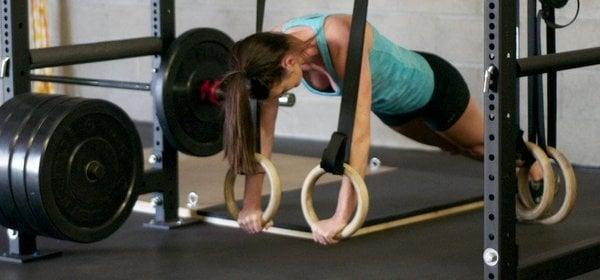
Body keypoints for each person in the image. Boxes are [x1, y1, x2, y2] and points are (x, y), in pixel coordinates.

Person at [219, 13, 542, 245]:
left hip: (435, 89)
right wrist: (251, 203)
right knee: (454, 148)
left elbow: (357, 131)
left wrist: (342, 216)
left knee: (478, 148)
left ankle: (527, 156)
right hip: (394, 109)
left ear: (290, 63)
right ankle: (512, 162)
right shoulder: (266, 53)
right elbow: (264, 133)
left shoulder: (341, 37)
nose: (284, 95)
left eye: (282, 90)